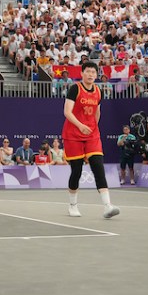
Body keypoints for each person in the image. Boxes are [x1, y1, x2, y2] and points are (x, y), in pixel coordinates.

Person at [62, 61, 119, 219]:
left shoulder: (98, 91)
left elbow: (97, 113)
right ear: (82, 73)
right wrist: (80, 125)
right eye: (88, 72)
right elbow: (67, 112)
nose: (91, 75)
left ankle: (108, 206)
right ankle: (72, 205)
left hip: (92, 135)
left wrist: (92, 127)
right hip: (73, 134)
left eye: (94, 72)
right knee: (77, 171)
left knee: (98, 167)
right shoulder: (75, 89)